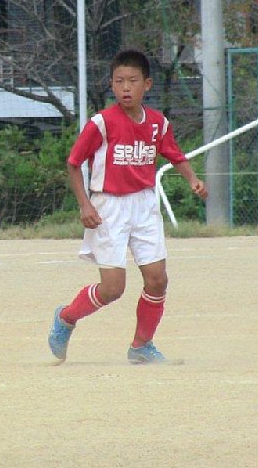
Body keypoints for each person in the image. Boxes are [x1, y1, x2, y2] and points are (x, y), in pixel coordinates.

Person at [48, 49, 207, 364]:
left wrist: (193, 179)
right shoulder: (102, 123)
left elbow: (174, 154)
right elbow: (74, 163)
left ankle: (141, 346)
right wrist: (85, 205)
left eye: (132, 81)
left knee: (158, 280)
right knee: (112, 289)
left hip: (144, 204)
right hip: (109, 207)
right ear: (111, 84)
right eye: (119, 81)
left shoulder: (158, 123)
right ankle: (66, 317)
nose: (125, 87)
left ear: (146, 84)